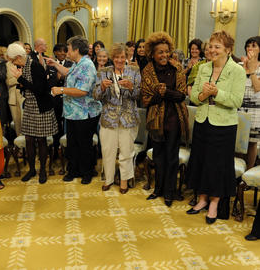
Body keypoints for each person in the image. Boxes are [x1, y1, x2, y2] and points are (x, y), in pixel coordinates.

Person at [186, 30, 246, 224]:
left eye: (217, 47)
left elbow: (237, 100)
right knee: (202, 160)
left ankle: (214, 202)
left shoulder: (237, 70)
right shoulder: (203, 68)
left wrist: (216, 92)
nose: (212, 50)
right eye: (210, 46)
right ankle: (202, 198)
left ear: (228, 50)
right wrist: (203, 95)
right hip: (203, 120)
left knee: (218, 165)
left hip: (224, 125)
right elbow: (194, 96)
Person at [141, 32, 189, 206]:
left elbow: (182, 95)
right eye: (160, 52)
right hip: (155, 120)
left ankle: (170, 192)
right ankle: (158, 189)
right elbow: (145, 99)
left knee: (171, 157)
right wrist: (159, 95)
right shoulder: (146, 71)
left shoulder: (176, 69)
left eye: (166, 51)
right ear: (152, 54)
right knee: (158, 156)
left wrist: (165, 92)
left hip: (174, 119)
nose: (164, 55)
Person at [48, 36, 102, 185]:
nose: (67, 51)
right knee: (73, 143)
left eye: (69, 48)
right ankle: (74, 170)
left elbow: (82, 91)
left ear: (77, 50)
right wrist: (55, 64)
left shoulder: (87, 65)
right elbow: (68, 72)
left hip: (85, 113)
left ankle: (87, 172)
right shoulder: (77, 63)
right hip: (73, 112)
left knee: (84, 144)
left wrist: (61, 90)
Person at [93, 43, 140, 194]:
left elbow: (139, 95)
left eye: (122, 57)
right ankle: (109, 179)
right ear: (112, 58)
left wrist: (131, 88)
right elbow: (96, 96)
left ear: (126, 57)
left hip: (128, 118)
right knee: (108, 150)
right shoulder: (103, 72)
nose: (119, 60)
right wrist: (102, 88)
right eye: (116, 57)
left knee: (126, 151)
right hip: (109, 118)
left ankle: (124, 181)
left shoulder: (134, 71)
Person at [8, 43, 58, 184]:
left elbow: (39, 89)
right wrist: (21, 83)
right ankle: (31, 170)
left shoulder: (35, 66)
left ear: (18, 57)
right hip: (30, 106)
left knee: (41, 140)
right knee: (29, 139)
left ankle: (42, 170)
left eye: (13, 60)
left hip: (41, 107)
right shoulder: (22, 66)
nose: (13, 63)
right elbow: (28, 86)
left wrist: (20, 80)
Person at [47, 43, 73, 159]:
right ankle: (56, 150)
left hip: (69, 100)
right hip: (56, 101)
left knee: (69, 125)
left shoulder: (71, 65)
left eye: (64, 51)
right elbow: (49, 84)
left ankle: (68, 151)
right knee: (56, 125)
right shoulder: (50, 66)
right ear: (55, 52)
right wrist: (57, 77)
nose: (62, 53)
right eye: (60, 51)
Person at [239, 36, 260, 170]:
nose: (250, 48)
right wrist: (245, 67)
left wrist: (252, 70)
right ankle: (236, 173)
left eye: (254, 46)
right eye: (248, 45)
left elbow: (257, 88)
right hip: (239, 108)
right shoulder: (239, 66)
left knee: (252, 143)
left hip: (256, 110)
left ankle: (247, 175)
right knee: (238, 142)